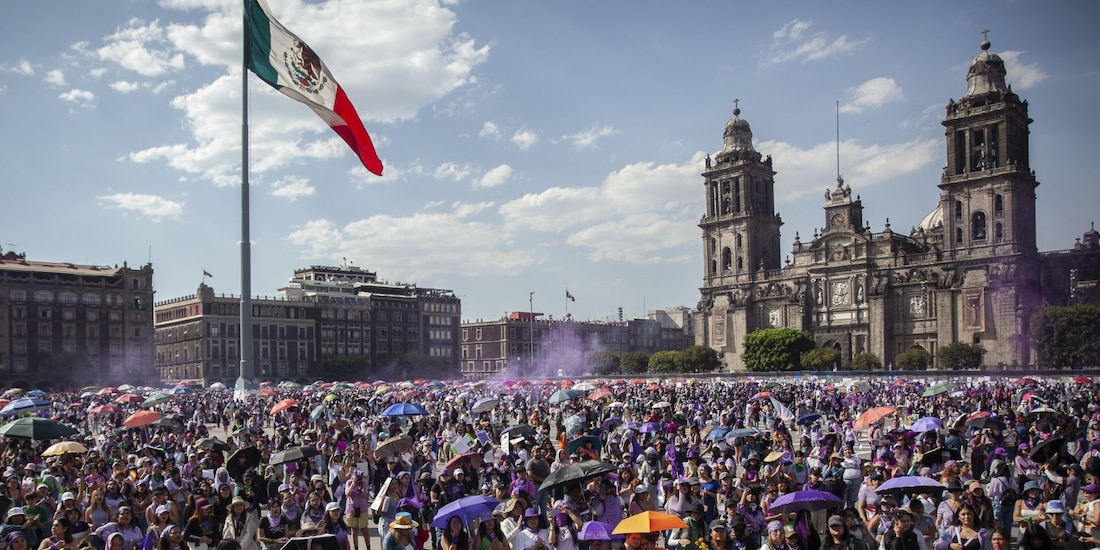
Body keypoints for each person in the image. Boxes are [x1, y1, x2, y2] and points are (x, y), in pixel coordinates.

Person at [344, 471, 370, 550]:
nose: (358, 480)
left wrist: (364, 484)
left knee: (364, 530)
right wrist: (353, 484)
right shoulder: (349, 482)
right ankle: (356, 548)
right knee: (354, 531)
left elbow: (364, 495)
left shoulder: (364, 482)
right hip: (352, 509)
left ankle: (368, 547)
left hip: (362, 509)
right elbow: (347, 493)